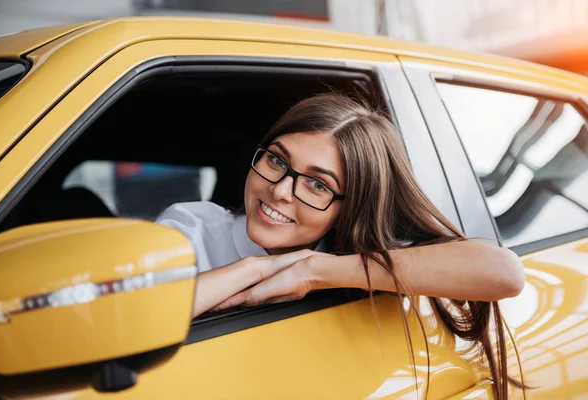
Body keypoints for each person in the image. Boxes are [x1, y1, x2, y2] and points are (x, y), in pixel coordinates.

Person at [156, 93, 525, 399]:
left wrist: (313, 271)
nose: (281, 191)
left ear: (349, 208)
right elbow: (137, 317)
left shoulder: (360, 259)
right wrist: (251, 269)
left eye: (318, 185)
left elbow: (504, 273)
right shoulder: (192, 226)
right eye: (277, 160)